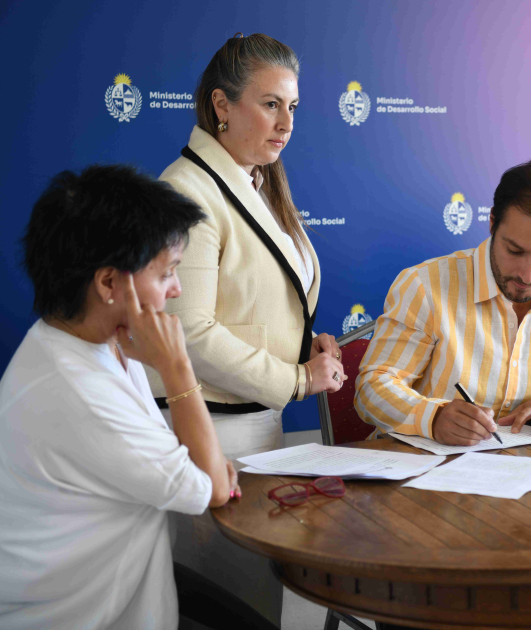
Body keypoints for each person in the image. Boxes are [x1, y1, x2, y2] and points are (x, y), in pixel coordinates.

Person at [149, 33, 343, 625]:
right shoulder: (185, 191)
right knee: (225, 612)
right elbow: (191, 335)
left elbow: (255, 302)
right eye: (270, 104)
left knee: (254, 608)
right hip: (207, 434)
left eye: (293, 107)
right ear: (221, 106)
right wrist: (297, 378)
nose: (286, 123)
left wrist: (302, 343)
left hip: (258, 433)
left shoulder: (257, 183)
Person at [0, 165, 236, 628]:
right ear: (109, 283)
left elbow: (198, 468)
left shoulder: (95, 344)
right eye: (167, 272)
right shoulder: (79, 391)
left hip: (127, 596)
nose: (177, 290)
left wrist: (205, 468)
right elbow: (213, 487)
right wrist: (177, 367)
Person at [355, 155, 531, 446]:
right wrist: (433, 418)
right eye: (514, 250)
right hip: (421, 472)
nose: (528, 275)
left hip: (530, 476)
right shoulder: (425, 286)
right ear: (491, 223)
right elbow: (372, 390)